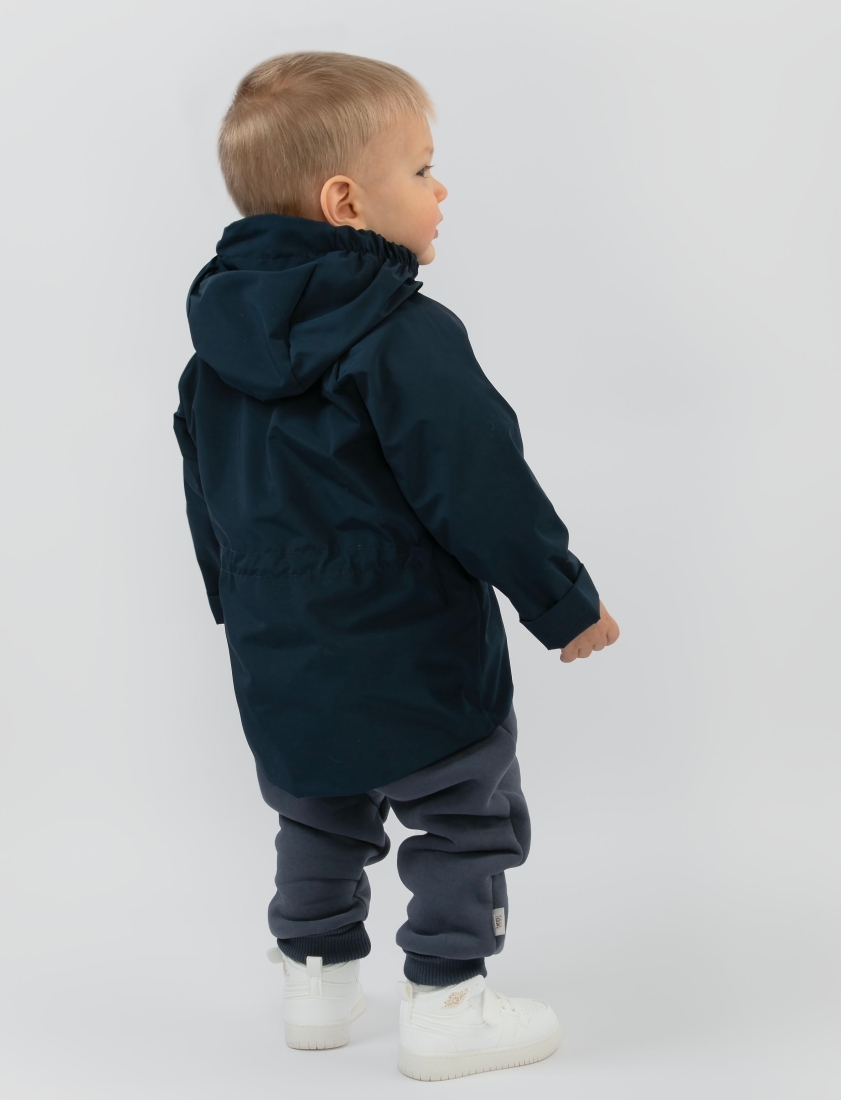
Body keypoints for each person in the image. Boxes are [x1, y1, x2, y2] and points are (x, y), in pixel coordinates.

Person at [173, 51, 619, 1081]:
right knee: (465, 814)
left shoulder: (211, 361)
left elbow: (209, 498)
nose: (441, 189)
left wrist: (237, 611)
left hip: (281, 657)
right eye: (420, 170)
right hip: (417, 653)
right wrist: (561, 601)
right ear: (346, 202)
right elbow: (480, 483)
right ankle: (448, 998)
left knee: (315, 809)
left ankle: (318, 982)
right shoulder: (403, 335)